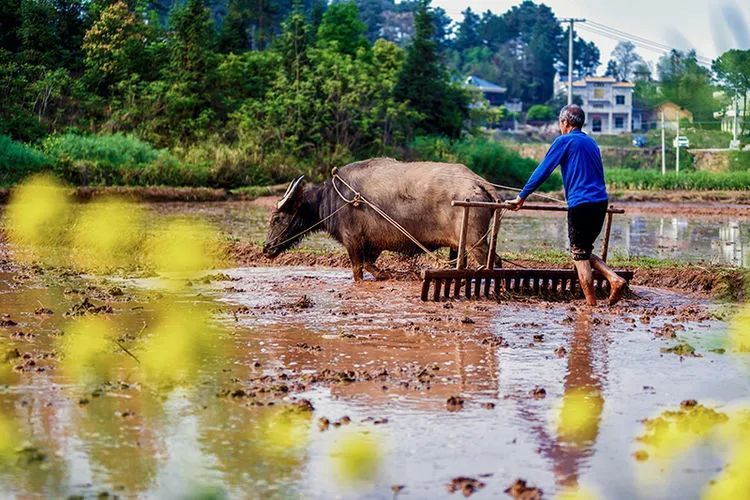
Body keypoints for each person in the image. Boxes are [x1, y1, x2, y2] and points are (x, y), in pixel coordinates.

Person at [507, 104, 627, 306]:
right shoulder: (591, 143)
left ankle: (593, 303)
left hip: (581, 204)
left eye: (560, 123)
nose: (559, 126)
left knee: (579, 256)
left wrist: (522, 196)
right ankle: (612, 279)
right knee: (583, 250)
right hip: (600, 203)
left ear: (565, 122)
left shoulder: (564, 141)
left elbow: (543, 170)